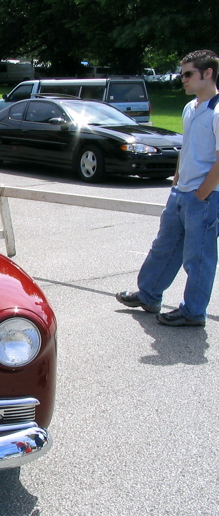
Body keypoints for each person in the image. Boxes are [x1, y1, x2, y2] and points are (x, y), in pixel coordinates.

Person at [116, 49, 219, 327]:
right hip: (181, 191)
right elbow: (190, 149)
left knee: (198, 257)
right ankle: (149, 295)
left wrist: (201, 194)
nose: (182, 79)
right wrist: (176, 178)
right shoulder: (190, 108)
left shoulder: (218, 111)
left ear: (207, 73)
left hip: (206, 196)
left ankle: (193, 311)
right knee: (164, 246)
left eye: (188, 74)